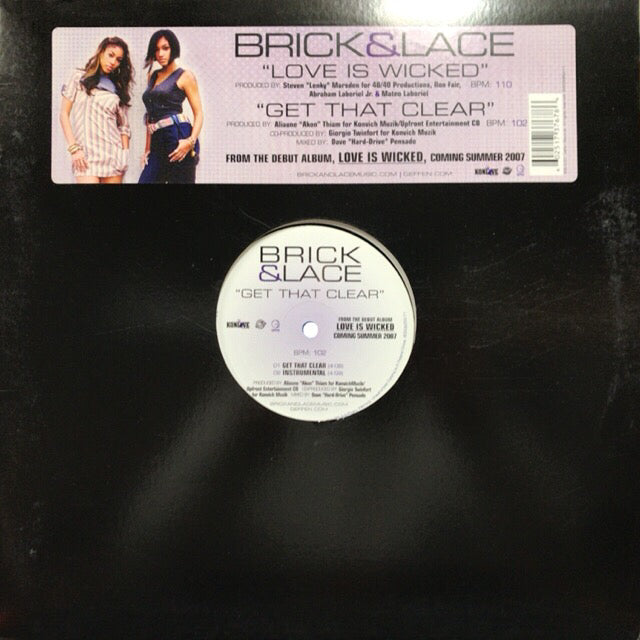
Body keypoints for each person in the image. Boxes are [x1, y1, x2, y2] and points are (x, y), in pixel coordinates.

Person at [59, 36, 133, 183]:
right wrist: (74, 149)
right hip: (85, 157)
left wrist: (124, 154)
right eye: (110, 55)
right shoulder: (79, 77)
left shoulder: (117, 87)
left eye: (118, 60)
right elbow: (63, 114)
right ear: (101, 52)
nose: (113, 62)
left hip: (113, 156)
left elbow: (124, 126)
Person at [139, 30, 203, 184]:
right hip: (157, 141)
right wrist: (147, 149)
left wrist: (190, 142)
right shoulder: (152, 76)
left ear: (173, 48)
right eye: (156, 49)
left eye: (165, 48)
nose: (160, 54)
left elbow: (199, 113)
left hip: (178, 136)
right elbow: (150, 116)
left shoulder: (185, 76)